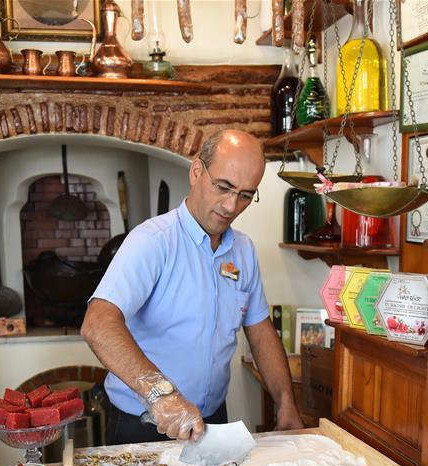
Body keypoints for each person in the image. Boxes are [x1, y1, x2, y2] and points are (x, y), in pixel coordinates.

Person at [81, 129, 304, 445]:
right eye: (223, 187)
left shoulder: (243, 250)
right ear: (197, 172)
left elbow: (260, 330)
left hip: (211, 420)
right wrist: (163, 394)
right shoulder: (152, 242)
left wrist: (286, 403)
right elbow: (97, 324)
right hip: (143, 422)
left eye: (244, 195)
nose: (231, 205)